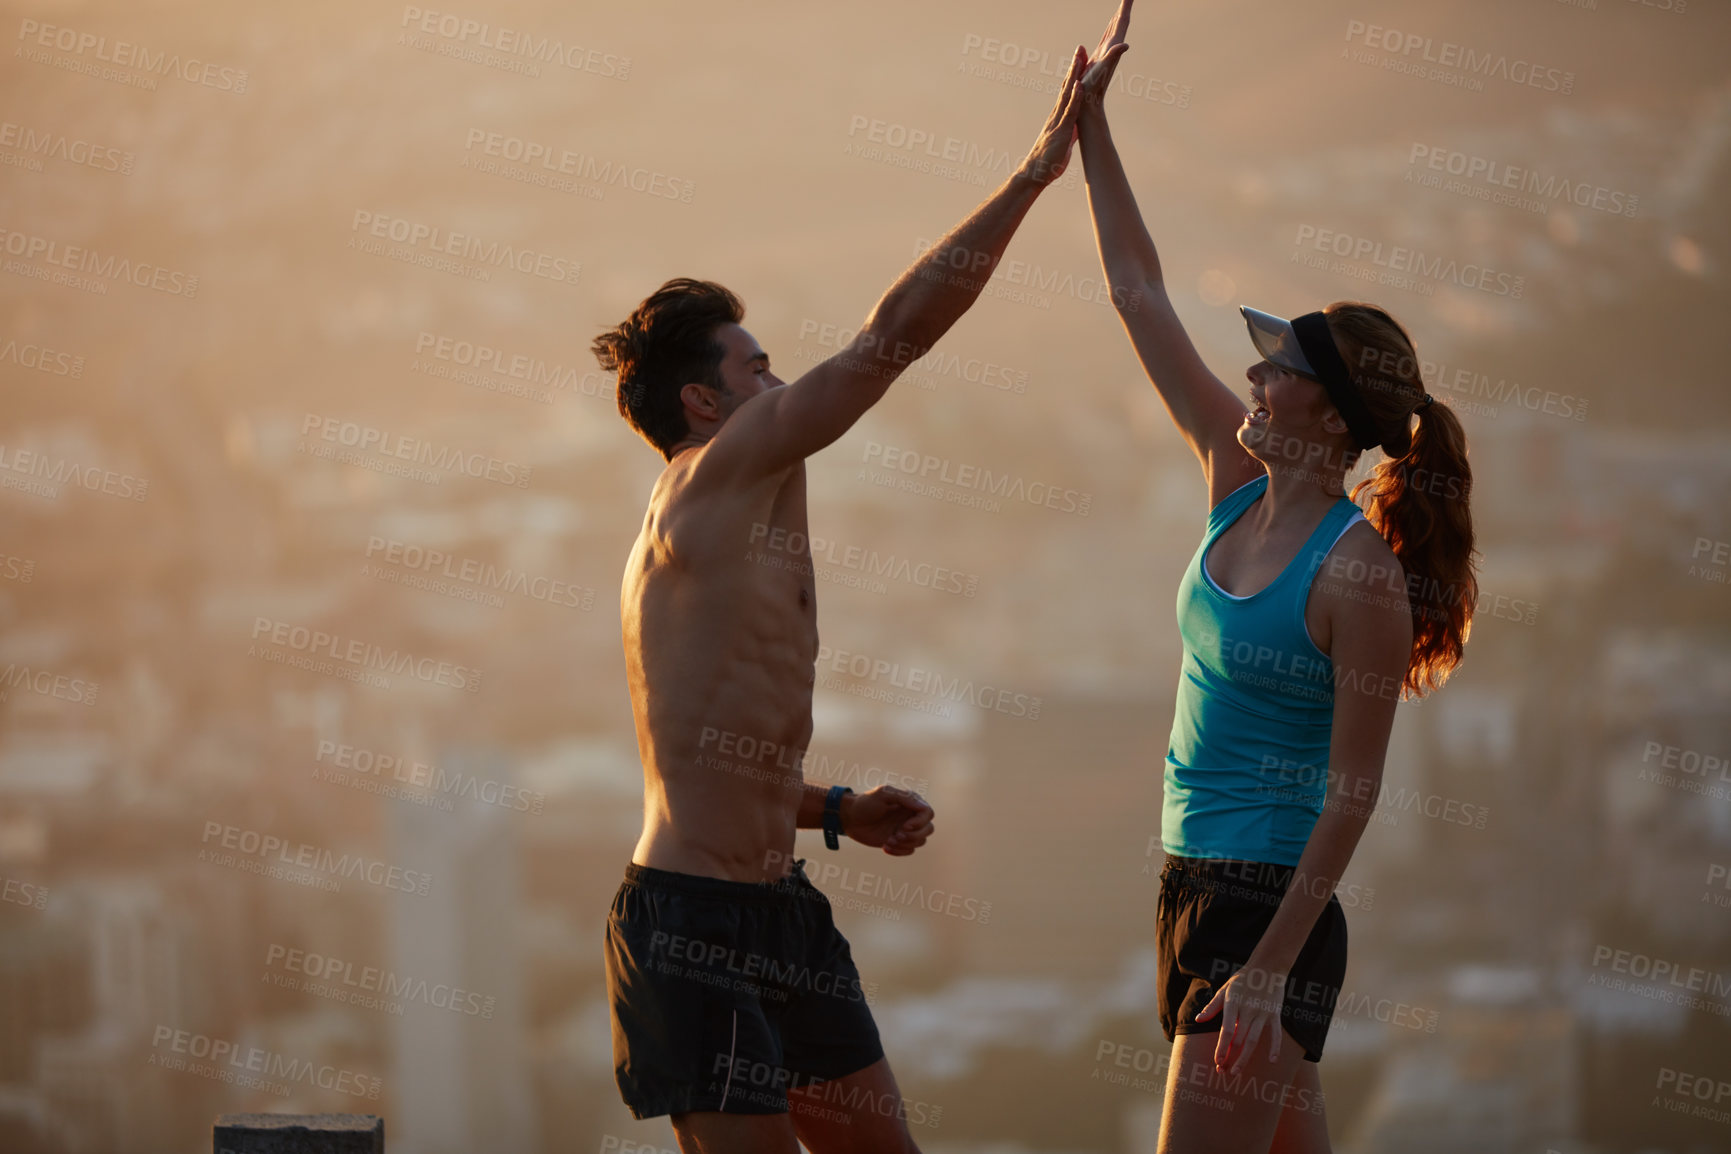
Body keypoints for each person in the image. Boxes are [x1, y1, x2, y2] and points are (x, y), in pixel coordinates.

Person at [589, 30, 1102, 1153]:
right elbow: (888, 344)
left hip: (779, 902)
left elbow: (715, 736)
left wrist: (833, 811)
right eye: (755, 367)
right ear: (703, 402)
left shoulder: (737, 509)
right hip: (691, 923)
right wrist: (1033, 174)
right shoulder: (707, 482)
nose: (779, 380)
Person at [1074, 3, 1479, 1150]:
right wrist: (1089, 130)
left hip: (1262, 914)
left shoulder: (1359, 577)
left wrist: (1265, 968)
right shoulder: (1232, 483)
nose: (1252, 374)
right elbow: (1137, 296)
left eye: (1278, 365)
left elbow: (1352, 793)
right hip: (1191, 885)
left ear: (1329, 411)